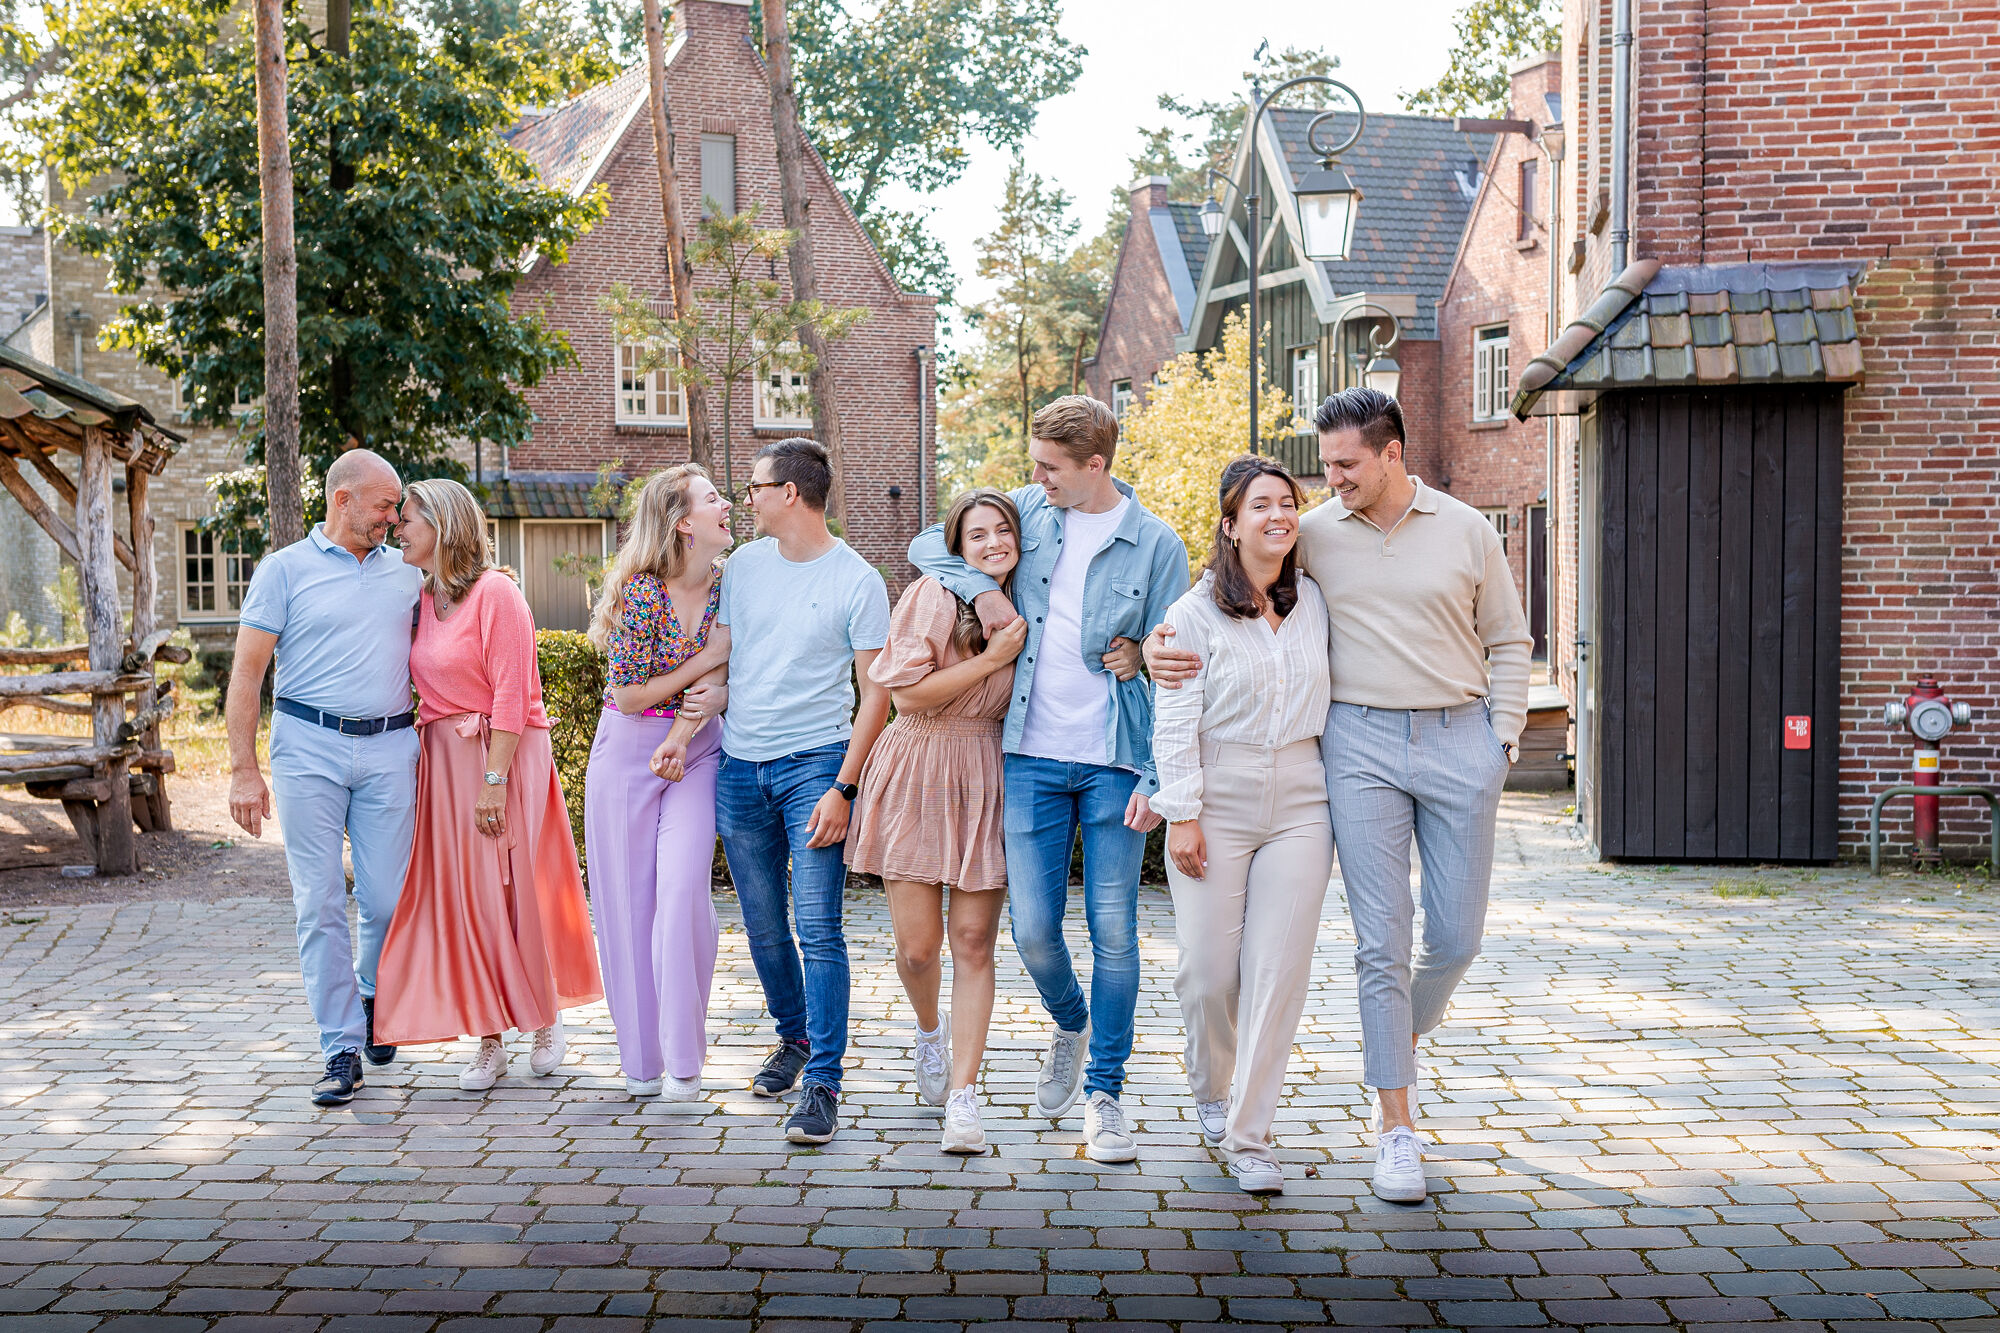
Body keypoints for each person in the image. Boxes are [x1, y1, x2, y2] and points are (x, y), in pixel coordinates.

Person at [1147, 387, 1531, 1202]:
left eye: (1344, 465)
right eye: (1320, 469)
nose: (1328, 484)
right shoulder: (1314, 535)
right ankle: (1392, 1125)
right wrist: (1157, 650)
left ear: (1393, 453)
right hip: (1355, 747)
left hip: (1458, 737)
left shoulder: (1464, 529)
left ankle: (1396, 1025)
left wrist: (1503, 739)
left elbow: (1508, 637)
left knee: (1455, 939)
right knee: (1365, 946)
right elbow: (1223, 590)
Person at [909, 394, 1187, 1163]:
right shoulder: (1028, 511)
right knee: (1031, 929)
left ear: (1095, 466)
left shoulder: (1156, 542)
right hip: (1028, 753)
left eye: (1050, 466)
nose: (1035, 477)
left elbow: (1174, 665)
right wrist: (984, 587)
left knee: (1115, 933)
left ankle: (1106, 1094)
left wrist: (1160, 777)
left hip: (1113, 760)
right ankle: (1072, 1018)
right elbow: (927, 542)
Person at [371, 479, 603, 1091]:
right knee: (467, 898)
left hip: (502, 756)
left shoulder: (497, 593)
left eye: (410, 519)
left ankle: (546, 1020)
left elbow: (511, 693)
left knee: (517, 887)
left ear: (443, 526)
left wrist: (493, 781)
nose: (400, 528)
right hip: (443, 764)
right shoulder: (423, 599)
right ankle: (489, 1037)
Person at [1150, 457, 1332, 1195]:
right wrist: (1183, 813)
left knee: (1277, 972)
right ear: (1230, 524)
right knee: (1208, 973)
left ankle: (1251, 1133)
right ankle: (1210, 1089)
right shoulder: (1192, 614)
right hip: (1215, 798)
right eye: (1261, 505)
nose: (1278, 516)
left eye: (1288, 503)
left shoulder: (1316, 598)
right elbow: (1174, 720)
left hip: (1301, 798)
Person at [227, 449, 422, 1106]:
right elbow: (247, 675)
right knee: (318, 902)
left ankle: (372, 995)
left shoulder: (409, 573)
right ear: (342, 498)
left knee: (389, 899)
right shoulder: (285, 570)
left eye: (397, 507)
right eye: (385, 504)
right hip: (306, 746)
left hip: (393, 745)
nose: (394, 518)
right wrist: (242, 769)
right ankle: (341, 1045)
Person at [716, 438, 891, 1147]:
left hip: (814, 766)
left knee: (817, 927)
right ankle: (791, 1039)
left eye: (755, 486)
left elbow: (875, 692)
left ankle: (823, 1081)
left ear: (790, 493)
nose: (746, 498)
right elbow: (722, 653)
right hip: (738, 766)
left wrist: (843, 787)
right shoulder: (744, 568)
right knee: (761, 925)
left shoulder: (858, 579)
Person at [847, 489, 1026, 1154]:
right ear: (958, 546)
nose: (991, 543)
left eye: (1002, 530)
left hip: (986, 767)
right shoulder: (934, 595)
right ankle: (929, 1031)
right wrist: (989, 660)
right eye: (976, 534)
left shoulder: (1026, 599)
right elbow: (904, 692)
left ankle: (964, 1095)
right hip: (919, 761)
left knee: (975, 942)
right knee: (918, 948)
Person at [583, 465, 733, 1101]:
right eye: (713, 499)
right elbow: (629, 693)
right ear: (682, 522)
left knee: (681, 900)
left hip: (698, 754)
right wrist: (707, 663)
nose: (727, 506)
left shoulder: (734, 585)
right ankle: (643, 1064)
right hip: (626, 755)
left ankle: (684, 1060)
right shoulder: (641, 594)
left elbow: (735, 677)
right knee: (627, 909)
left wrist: (719, 691)